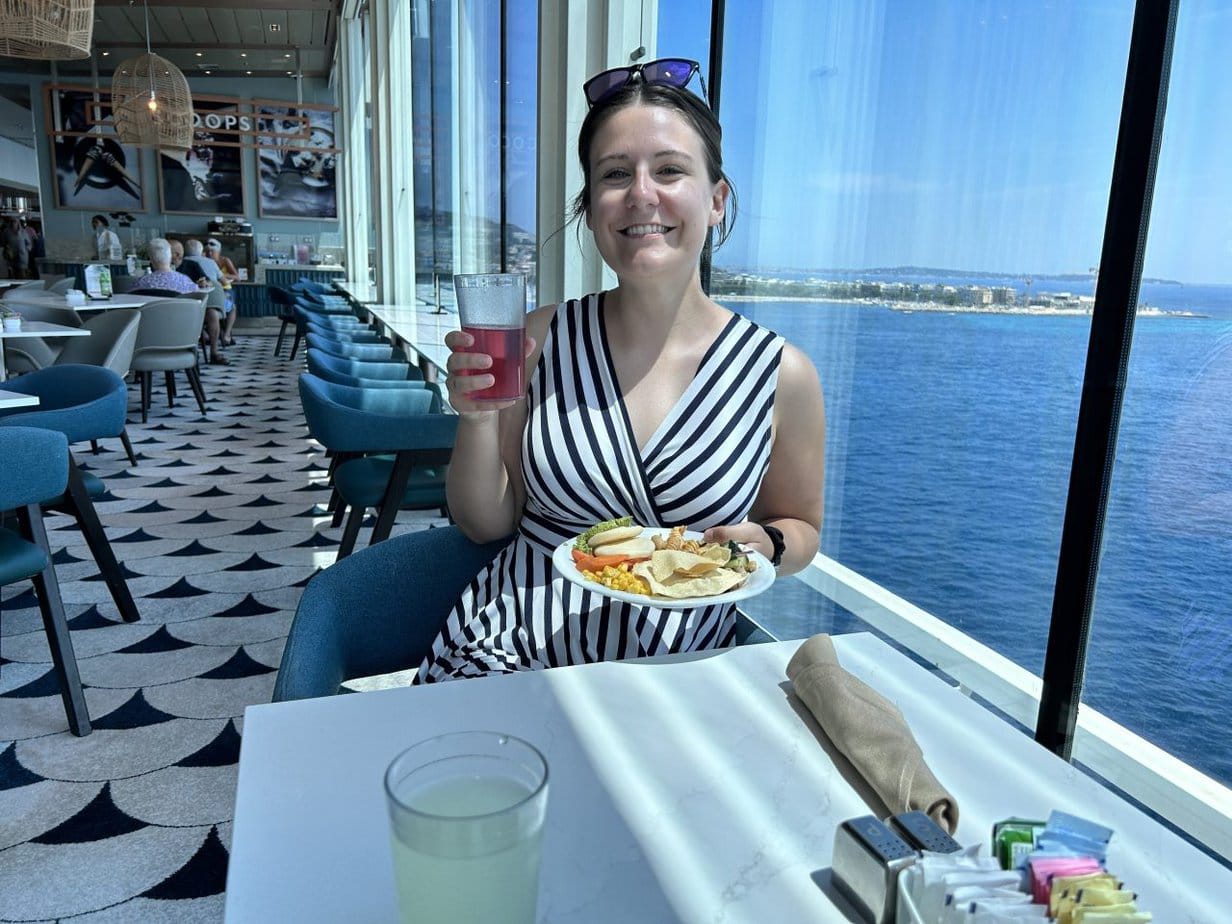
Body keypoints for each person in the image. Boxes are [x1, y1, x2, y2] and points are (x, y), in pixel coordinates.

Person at [414, 59, 826, 682]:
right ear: (590, 207)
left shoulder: (781, 374)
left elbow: (800, 528)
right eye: (614, 173)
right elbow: (485, 521)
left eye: (669, 170)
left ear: (715, 201)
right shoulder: (538, 339)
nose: (641, 193)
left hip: (684, 673)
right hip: (512, 654)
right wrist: (475, 419)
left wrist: (764, 545)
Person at [181, 239, 229, 365]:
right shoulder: (210, 262)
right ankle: (215, 350)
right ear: (201, 252)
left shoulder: (180, 264)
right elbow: (224, 281)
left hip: (183, 307)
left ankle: (193, 345)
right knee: (214, 312)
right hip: (206, 305)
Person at [132, 238, 200, 296]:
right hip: (182, 311)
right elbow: (198, 301)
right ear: (170, 257)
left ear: (151, 259)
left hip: (152, 311)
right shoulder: (186, 283)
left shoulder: (140, 284)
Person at [205, 238, 241, 346]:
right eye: (207, 251)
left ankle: (226, 334)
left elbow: (237, 277)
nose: (209, 254)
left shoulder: (225, 260)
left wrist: (220, 274)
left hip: (225, 289)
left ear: (219, 251)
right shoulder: (204, 261)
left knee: (232, 307)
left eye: (212, 251)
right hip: (209, 290)